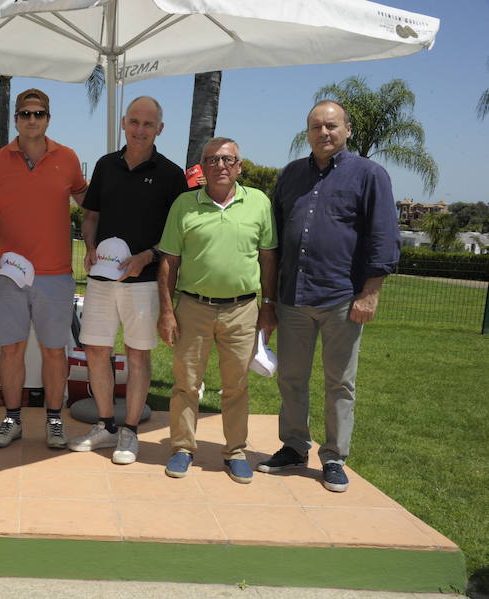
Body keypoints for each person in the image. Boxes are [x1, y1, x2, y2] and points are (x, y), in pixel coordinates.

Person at [256, 100, 400, 493]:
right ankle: (294, 446)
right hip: (293, 298)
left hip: (341, 298)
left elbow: (384, 237)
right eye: (316, 126)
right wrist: (269, 299)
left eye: (332, 125)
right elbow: (273, 237)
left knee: (340, 383)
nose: (324, 132)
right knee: (291, 378)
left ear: (347, 130)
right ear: (308, 132)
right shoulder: (290, 176)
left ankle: (334, 457)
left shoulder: (369, 175)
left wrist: (371, 292)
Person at [67, 96, 188, 464]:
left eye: (148, 124)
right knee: (96, 351)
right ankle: (105, 426)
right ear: (123, 123)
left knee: (137, 355)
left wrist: (147, 256)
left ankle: (130, 432)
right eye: (134, 122)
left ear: (160, 129)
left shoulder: (171, 175)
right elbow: (90, 216)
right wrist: (89, 244)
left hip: (146, 282)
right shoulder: (106, 166)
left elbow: (177, 235)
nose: (139, 130)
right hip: (102, 280)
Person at [157, 137, 277, 483]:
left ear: (239, 166)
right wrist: (167, 310)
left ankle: (235, 451)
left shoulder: (258, 203)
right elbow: (169, 261)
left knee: (236, 386)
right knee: (185, 384)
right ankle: (182, 448)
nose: (220, 165)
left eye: (228, 159)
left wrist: (268, 306)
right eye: (212, 160)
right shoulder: (184, 204)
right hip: (193, 307)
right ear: (202, 167)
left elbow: (269, 259)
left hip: (243, 310)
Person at [0, 88, 88, 449]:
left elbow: (91, 207)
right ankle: (12, 419)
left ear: (48, 119)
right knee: (11, 350)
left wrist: (96, 242)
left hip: (56, 275)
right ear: (17, 120)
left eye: (39, 114)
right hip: (8, 273)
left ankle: (55, 421)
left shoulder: (68, 159)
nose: (32, 120)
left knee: (56, 352)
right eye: (25, 114)